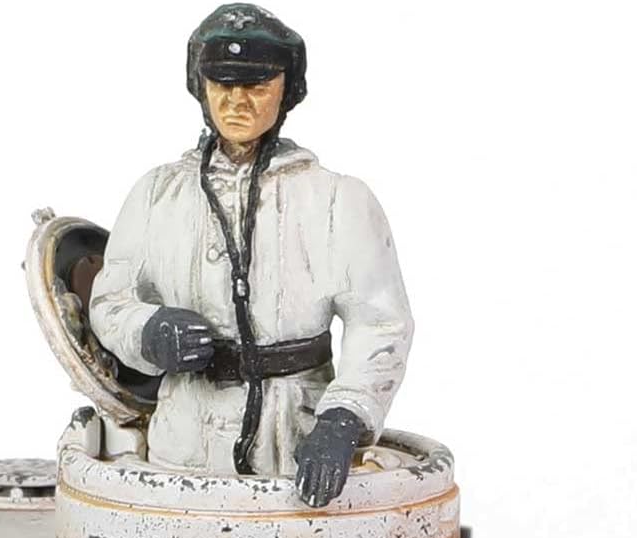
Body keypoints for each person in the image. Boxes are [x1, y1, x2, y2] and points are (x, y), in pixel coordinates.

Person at [89, 3, 413, 508]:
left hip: (292, 442)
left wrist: (343, 417)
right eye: (221, 84)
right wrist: (148, 331)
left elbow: (381, 323)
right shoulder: (157, 195)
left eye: (257, 86)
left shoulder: (337, 200)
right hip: (183, 439)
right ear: (200, 87)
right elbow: (110, 302)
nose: (236, 102)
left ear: (288, 89)